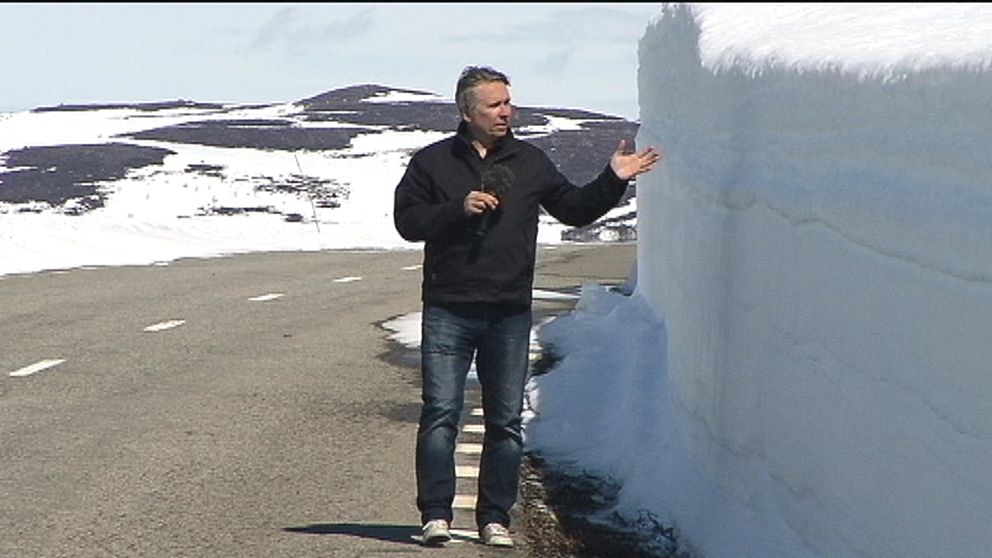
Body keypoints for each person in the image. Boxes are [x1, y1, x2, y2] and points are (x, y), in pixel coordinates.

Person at [393, 66, 662, 548]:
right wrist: (457, 208)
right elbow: (407, 222)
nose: (506, 111)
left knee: (505, 421)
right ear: (466, 111)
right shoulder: (432, 163)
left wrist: (613, 178)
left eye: (508, 103)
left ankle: (494, 518)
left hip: (508, 313)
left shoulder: (530, 161)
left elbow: (575, 210)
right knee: (440, 413)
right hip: (449, 308)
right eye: (494, 105)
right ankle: (435, 515)